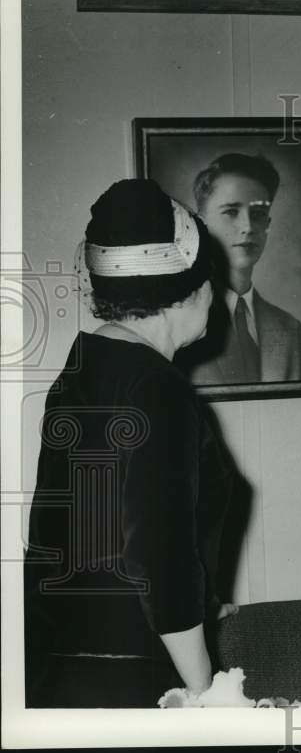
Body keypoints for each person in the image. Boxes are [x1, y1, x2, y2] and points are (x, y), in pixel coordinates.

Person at [24, 179, 238, 707]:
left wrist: (207, 604)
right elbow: (157, 558)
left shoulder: (87, 366)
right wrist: (207, 692)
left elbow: (96, 530)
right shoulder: (156, 387)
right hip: (130, 679)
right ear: (194, 287)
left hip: (57, 666)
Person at [185, 153, 301, 385]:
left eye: (258, 215)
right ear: (201, 224)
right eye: (231, 212)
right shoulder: (179, 323)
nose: (248, 227)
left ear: (268, 226)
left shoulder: (290, 329)